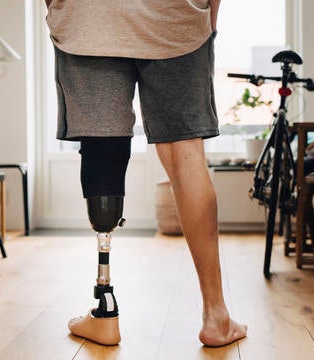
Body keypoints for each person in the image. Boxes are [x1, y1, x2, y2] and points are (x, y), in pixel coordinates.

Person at [44, 0, 247, 347]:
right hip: (174, 18)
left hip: (89, 17)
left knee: (101, 148)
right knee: (185, 155)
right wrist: (206, 18)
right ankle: (216, 315)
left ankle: (105, 312)